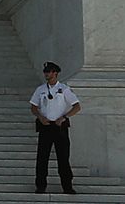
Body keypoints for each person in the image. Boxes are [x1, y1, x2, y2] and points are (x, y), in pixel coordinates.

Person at [28, 61, 79, 194]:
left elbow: (77, 106)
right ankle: (40, 185)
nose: (46, 74)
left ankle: (67, 186)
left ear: (55, 73)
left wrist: (64, 117)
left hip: (59, 127)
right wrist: (40, 117)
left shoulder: (64, 89)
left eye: (49, 71)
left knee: (63, 158)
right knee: (42, 158)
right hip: (46, 126)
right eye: (45, 71)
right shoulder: (40, 90)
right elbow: (33, 107)